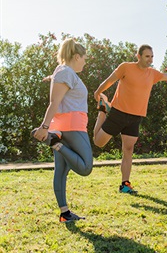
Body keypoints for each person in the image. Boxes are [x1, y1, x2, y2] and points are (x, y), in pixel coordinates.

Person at [93, 44, 167, 194]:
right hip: (118, 112)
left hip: (136, 117)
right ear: (139, 56)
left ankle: (125, 184)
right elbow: (110, 80)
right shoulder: (126, 67)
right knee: (99, 143)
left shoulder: (152, 74)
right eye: (147, 56)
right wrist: (98, 93)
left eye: (152, 56)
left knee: (128, 150)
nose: (150, 60)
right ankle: (102, 112)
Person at [32, 38, 93, 222]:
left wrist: (51, 78)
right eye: (84, 58)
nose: (85, 61)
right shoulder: (66, 71)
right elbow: (54, 102)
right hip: (72, 126)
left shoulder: (65, 73)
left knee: (61, 171)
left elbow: (61, 87)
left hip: (63, 126)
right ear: (76, 56)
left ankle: (65, 213)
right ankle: (55, 143)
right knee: (85, 167)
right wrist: (44, 127)